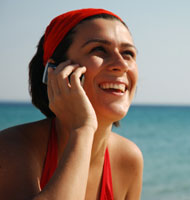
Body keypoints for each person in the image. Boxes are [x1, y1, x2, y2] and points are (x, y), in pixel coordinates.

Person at [0, 8, 143, 200]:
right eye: (99, 49)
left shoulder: (128, 159)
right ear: (55, 71)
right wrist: (83, 129)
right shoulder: (12, 148)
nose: (122, 64)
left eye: (128, 53)